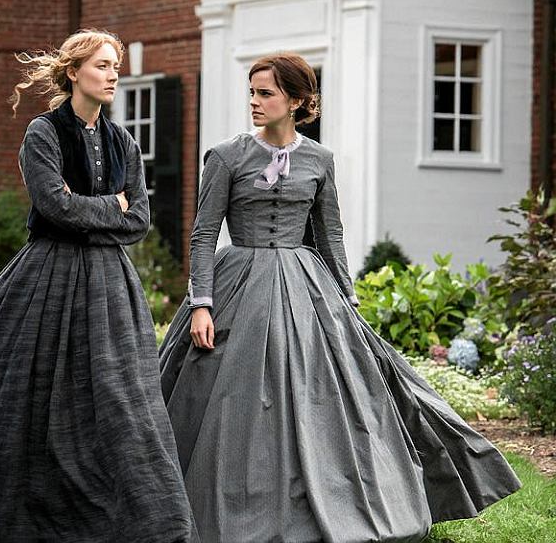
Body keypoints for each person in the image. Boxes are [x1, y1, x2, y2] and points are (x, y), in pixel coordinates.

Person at [158, 53, 520, 543]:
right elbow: (203, 234)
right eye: (252, 92)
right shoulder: (225, 157)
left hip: (304, 285)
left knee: (326, 396)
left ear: (296, 101)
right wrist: (201, 302)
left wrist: (346, 301)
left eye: (265, 93)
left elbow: (330, 235)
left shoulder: (319, 160)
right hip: (236, 285)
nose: (255, 102)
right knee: (229, 397)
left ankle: (332, 497)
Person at [0, 29, 197, 542]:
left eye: (115, 67)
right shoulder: (43, 133)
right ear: (73, 72)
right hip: (47, 277)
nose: (112, 76)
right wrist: (111, 206)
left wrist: (91, 209)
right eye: (102, 66)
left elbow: (140, 220)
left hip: (111, 284)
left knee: (121, 397)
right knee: (35, 394)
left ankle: (141, 521)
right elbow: (54, 207)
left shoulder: (123, 140)